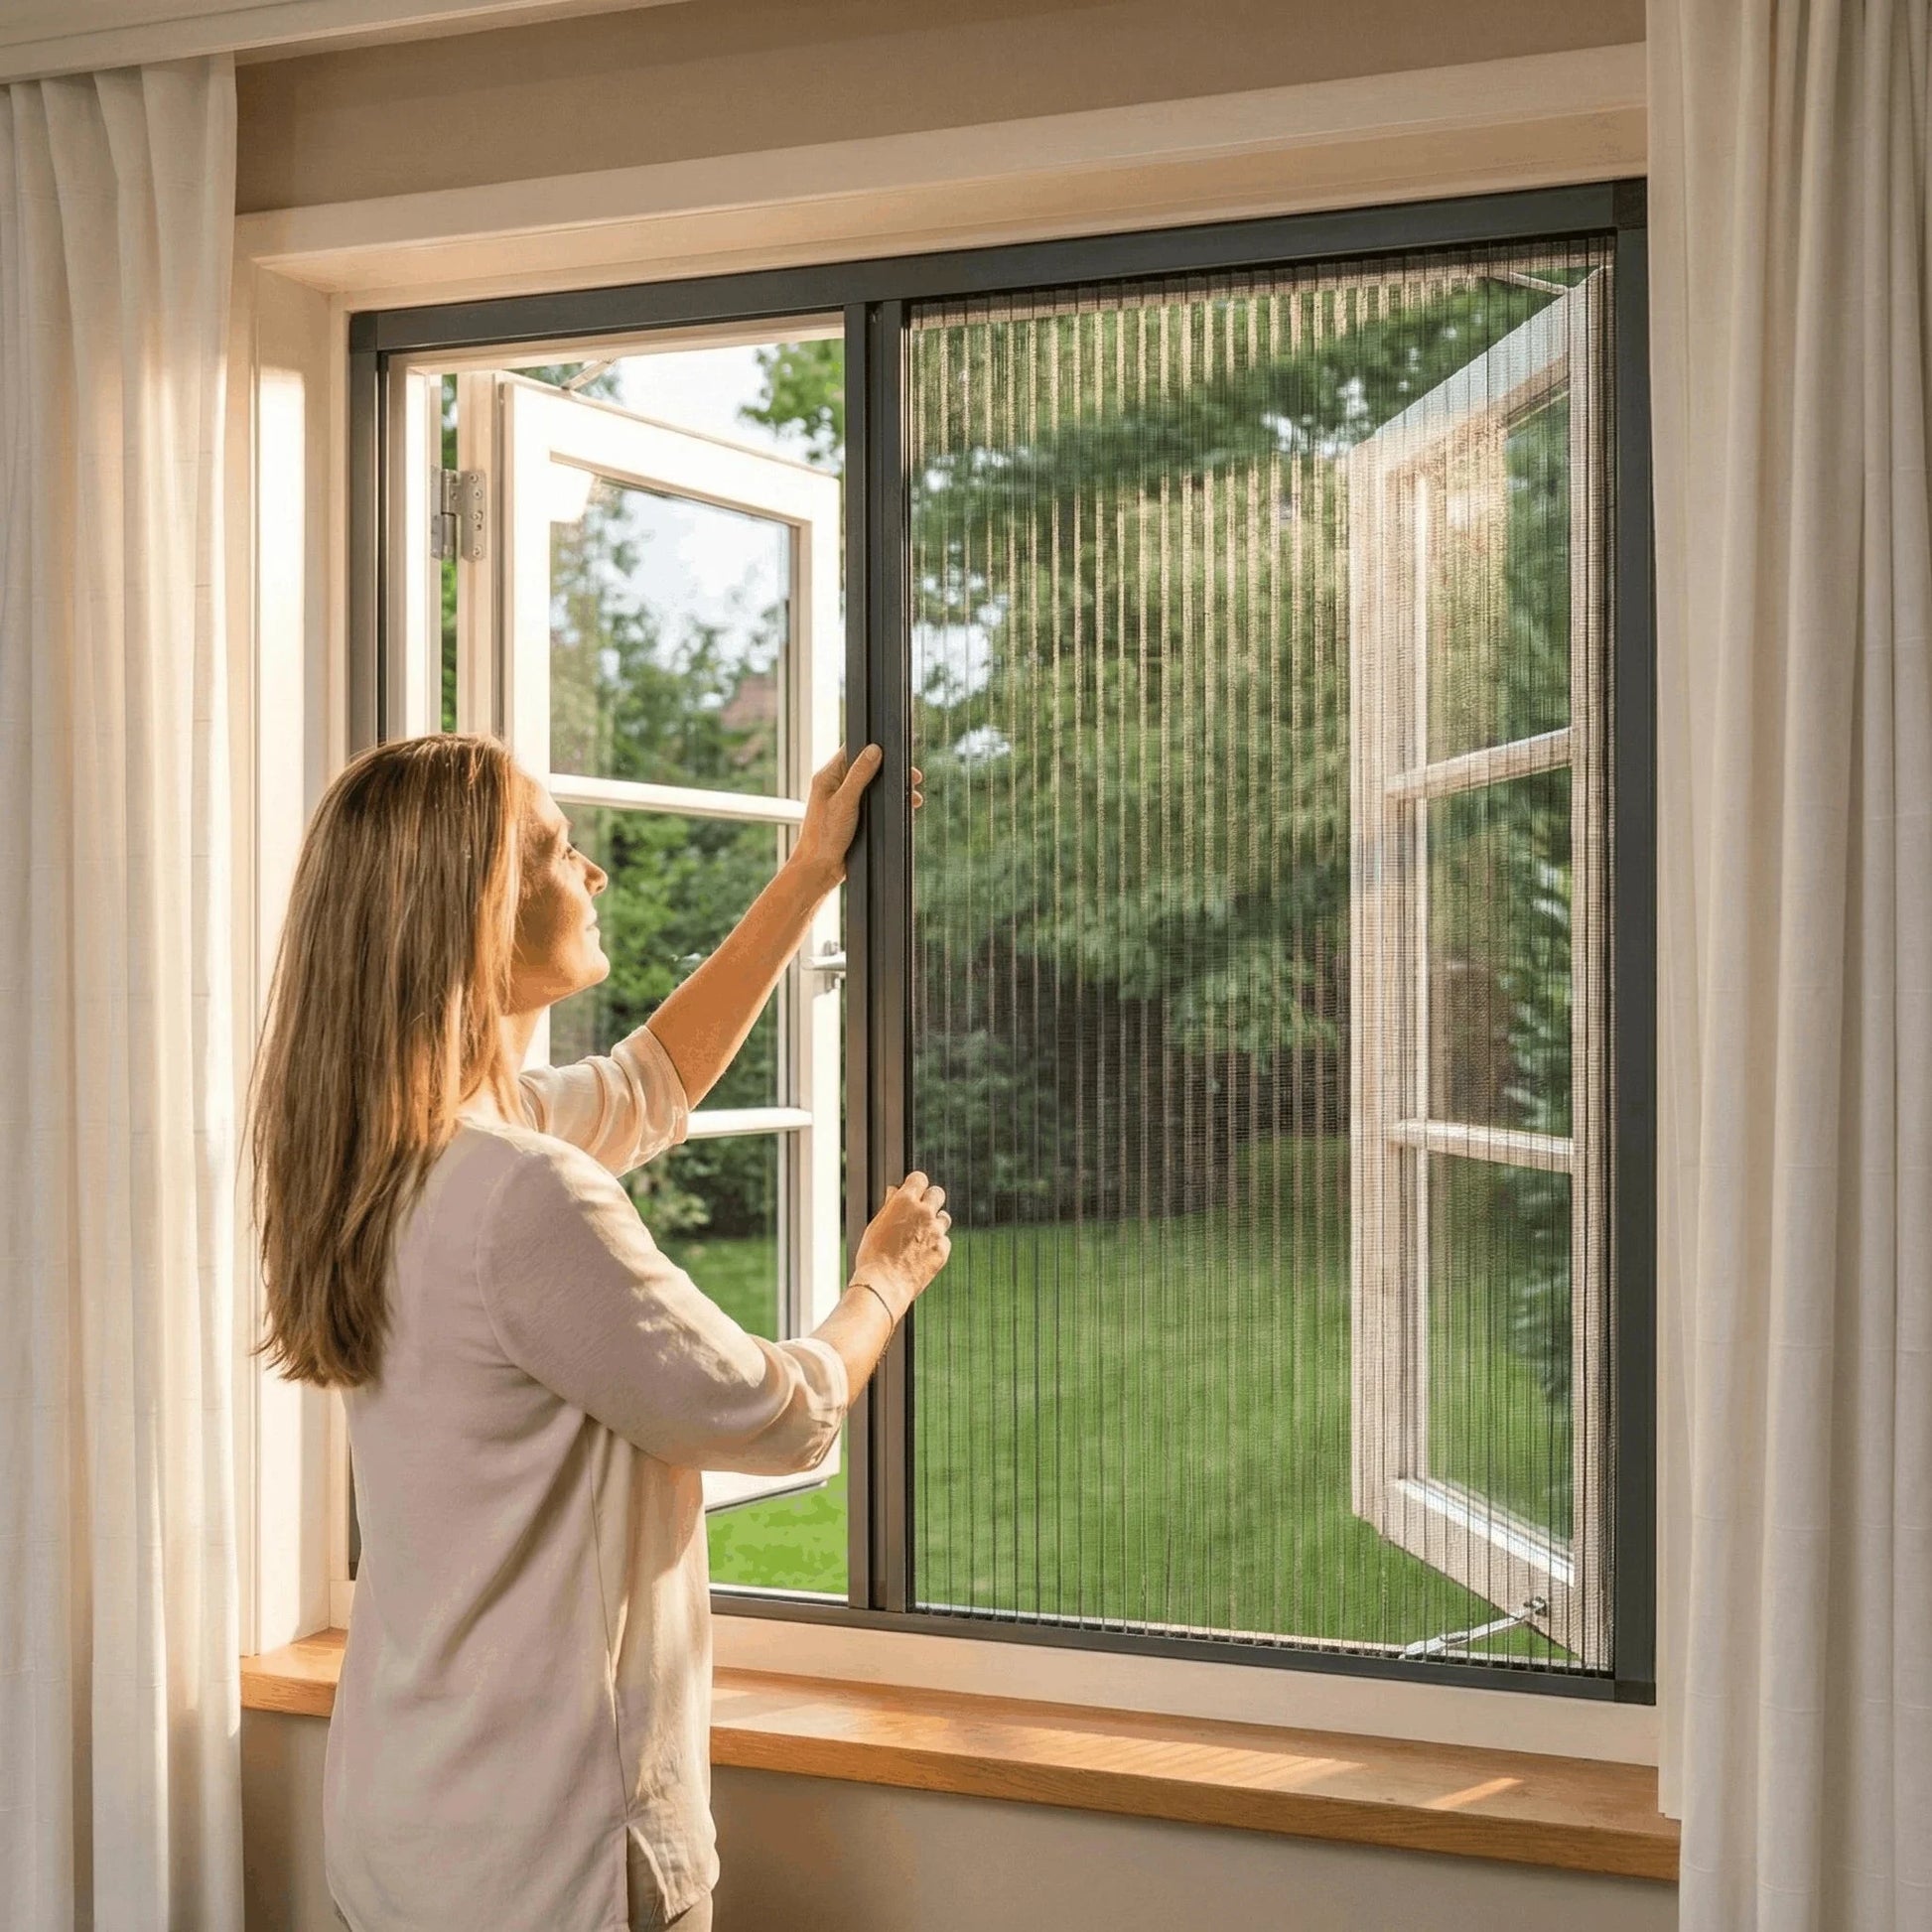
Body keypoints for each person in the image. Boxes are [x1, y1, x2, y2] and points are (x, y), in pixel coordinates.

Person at [249, 732, 950, 1932]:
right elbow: (780, 1415)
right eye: (553, 848)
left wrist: (808, 874)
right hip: (550, 1857)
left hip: (408, 1825)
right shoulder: (522, 1192)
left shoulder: (386, 1153)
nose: (592, 871)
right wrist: (881, 1280)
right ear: (474, 911)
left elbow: (648, 1083)